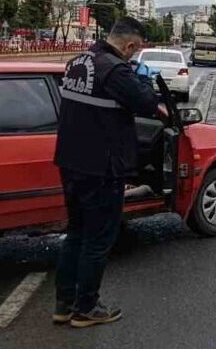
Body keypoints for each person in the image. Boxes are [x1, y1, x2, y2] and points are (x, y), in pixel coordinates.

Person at [53, 17, 163, 328]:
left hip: (70, 162)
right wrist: (142, 79)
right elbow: (147, 104)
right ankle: (87, 307)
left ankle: (64, 304)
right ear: (130, 45)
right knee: (98, 240)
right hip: (101, 168)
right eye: (136, 50)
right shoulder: (114, 70)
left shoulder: (78, 62)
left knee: (75, 232)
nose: (134, 55)